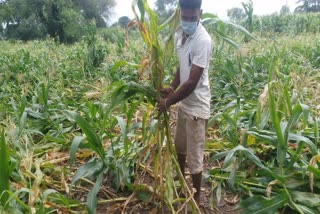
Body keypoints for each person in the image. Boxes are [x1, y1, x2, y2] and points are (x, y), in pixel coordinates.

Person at [157, 0, 213, 205]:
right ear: (179, 13)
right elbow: (182, 69)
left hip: (197, 106)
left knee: (194, 157)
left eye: (192, 17)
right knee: (179, 147)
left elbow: (191, 82)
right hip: (183, 102)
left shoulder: (203, 40)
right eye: (185, 17)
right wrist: (171, 87)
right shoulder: (180, 34)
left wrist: (168, 101)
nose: (188, 21)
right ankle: (181, 181)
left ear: (201, 13)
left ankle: (196, 196)